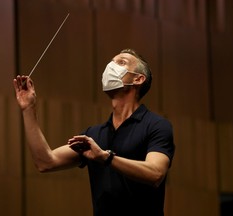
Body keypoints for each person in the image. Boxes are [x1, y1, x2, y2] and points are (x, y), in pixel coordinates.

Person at [13, 48, 175, 216]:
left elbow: (156, 173)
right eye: (111, 61)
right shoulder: (95, 135)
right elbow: (45, 162)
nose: (111, 66)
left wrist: (106, 157)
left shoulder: (156, 125)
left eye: (121, 62)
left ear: (138, 79)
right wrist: (28, 109)